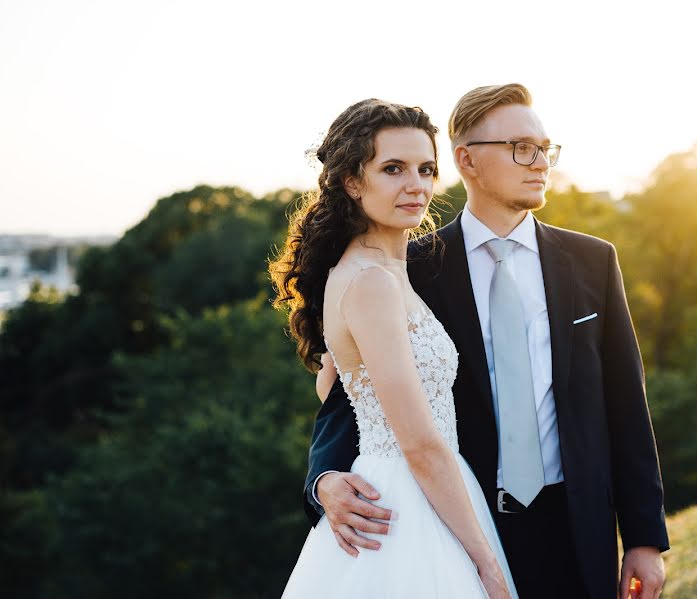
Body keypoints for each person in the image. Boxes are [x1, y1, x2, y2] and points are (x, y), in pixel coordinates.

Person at [306, 84, 670, 599]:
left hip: (577, 524)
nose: (539, 161)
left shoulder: (593, 262)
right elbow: (351, 402)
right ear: (467, 160)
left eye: (545, 148)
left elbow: (627, 405)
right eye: (521, 147)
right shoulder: (407, 270)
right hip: (460, 526)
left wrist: (644, 537)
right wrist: (324, 482)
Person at [271, 98, 517, 598]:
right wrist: (486, 564)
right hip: (406, 507)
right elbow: (419, 443)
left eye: (426, 169)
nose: (417, 185)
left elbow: (337, 390)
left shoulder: (382, 270)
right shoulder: (370, 283)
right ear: (351, 181)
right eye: (393, 169)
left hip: (425, 488)